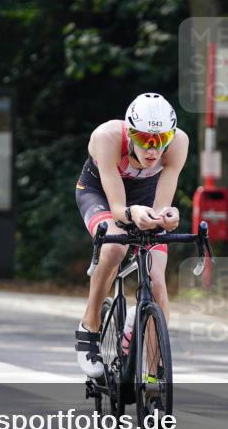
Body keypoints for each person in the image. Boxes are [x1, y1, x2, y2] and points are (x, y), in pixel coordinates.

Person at [74, 93, 189, 378]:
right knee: (115, 248)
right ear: (129, 131)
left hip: (144, 199)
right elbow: (117, 209)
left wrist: (167, 216)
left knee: (158, 282)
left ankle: (152, 372)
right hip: (100, 193)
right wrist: (132, 212)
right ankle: (90, 323)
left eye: (161, 140)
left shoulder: (179, 144)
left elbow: (162, 205)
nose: (153, 149)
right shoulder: (108, 137)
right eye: (145, 139)